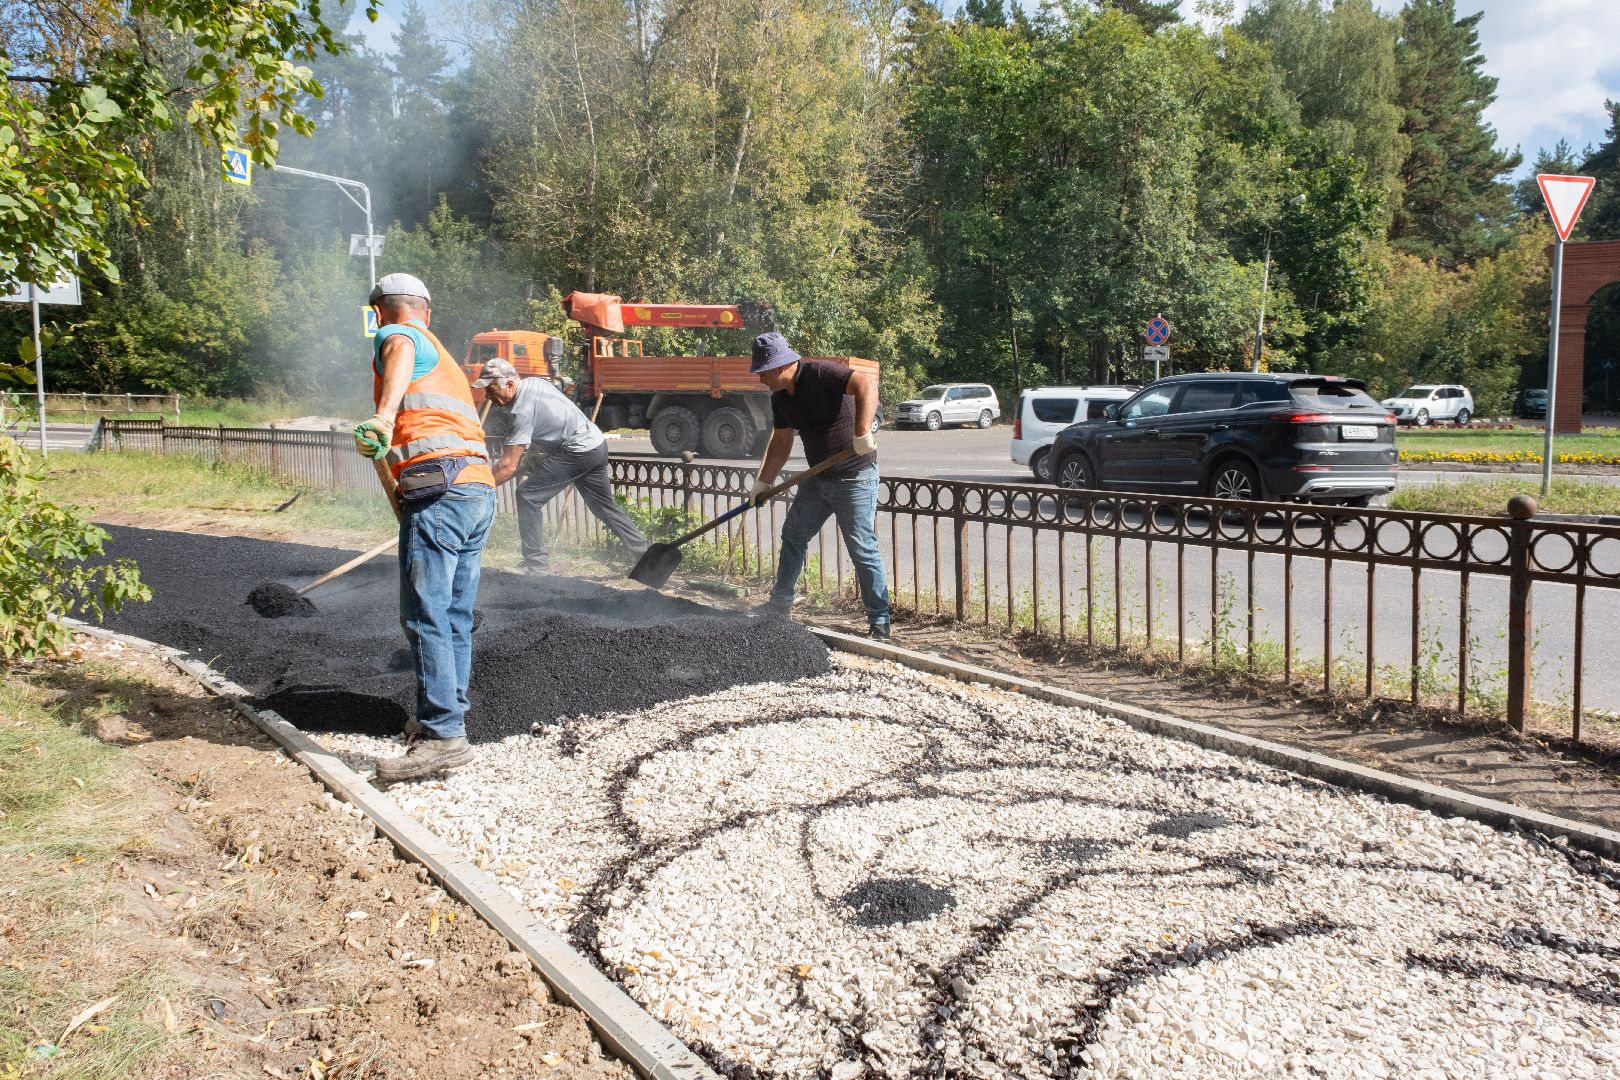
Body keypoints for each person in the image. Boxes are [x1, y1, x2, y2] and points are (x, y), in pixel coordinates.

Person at [353, 273, 496, 783]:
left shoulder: (399, 336)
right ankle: (450, 712)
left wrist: (384, 419)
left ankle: (443, 735)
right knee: (454, 611)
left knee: (424, 611)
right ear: (427, 310)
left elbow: (398, 360)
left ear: (380, 310)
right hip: (477, 489)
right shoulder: (446, 356)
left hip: (439, 488)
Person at [748, 332, 890, 640]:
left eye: (762, 372)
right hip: (818, 478)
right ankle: (779, 605)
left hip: (855, 476)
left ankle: (880, 620)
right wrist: (763, 483)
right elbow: (782, 442)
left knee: (862, 548)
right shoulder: (780, 398)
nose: (760, 379)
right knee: (794, 535)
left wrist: (862, 432)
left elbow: (866, 383)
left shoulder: (821, 372)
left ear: (779, 366)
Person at [474, 358, 649, 574]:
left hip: (577, 451)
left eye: (491, 390)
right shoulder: (535, 383)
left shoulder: (521, 410)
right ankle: (644, 553)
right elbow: (551, 420)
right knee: (603, 505)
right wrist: (535, 456)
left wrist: (477, 488)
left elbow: (508, 466)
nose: (488, 396)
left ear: (509, 384)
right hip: (595, 444)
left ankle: (536, 564)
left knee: (527, 496)